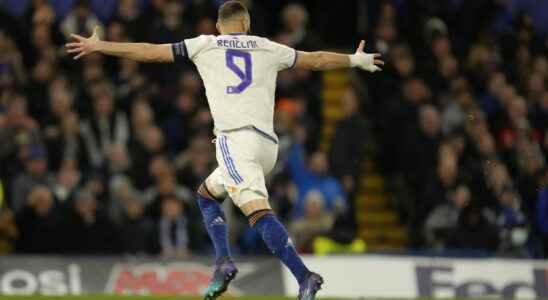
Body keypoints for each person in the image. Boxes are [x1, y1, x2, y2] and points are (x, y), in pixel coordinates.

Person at [65, 1, 384, 299]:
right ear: (246, 23)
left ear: (219, 26)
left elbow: (149, 52)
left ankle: (303, 275)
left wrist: (100, 46)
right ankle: (223, 263)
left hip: (235, 141)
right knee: (207, 194)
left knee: (257, 212)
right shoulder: (267, 46)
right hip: (267, 147)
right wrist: (354, 60)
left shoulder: (205, 44)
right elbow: (315, 59)